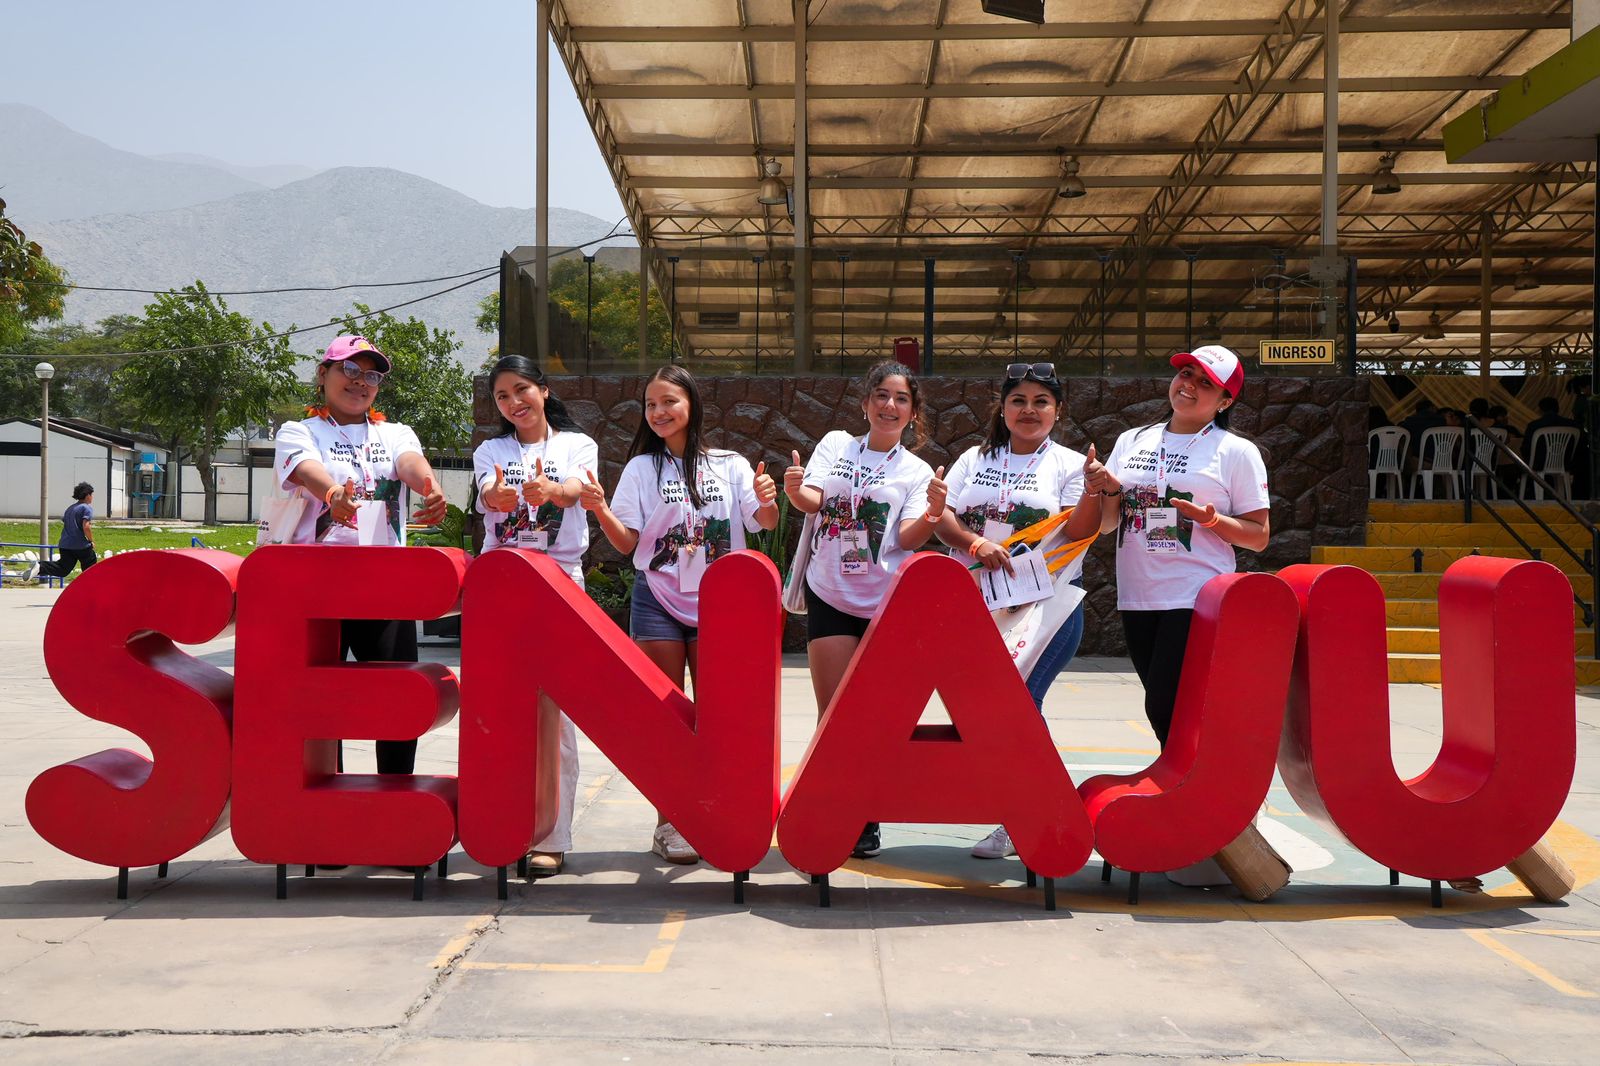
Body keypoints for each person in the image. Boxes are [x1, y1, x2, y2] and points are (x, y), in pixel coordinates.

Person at [1084, 345, 1271, 885]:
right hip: (1139, 593)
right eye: (1185, 374)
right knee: (1164, 707)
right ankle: (1202, 818)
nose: (1188, 385)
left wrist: (1214, 520)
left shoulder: (1236, 453)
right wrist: (1107, 488)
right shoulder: (1133, 441)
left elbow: (1259, 536)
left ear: (1224, 399)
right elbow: (1107, 526)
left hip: (1198, 596)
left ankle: (1210, 819)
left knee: (1172, 702)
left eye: (1204, 382)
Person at [581, 365, 779, 865]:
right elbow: (629, 544)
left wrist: (768, 500)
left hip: (721, 604)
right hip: (658, 599)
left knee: (716, 717)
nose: (659, 412)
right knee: (665, 718)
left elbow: (762, 524)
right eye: (650, 405)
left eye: (668, 401)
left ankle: (717, 812)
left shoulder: (730, 465)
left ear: (691, 403)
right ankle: (671, 823)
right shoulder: (641, 470)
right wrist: (602, 509)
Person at [932, 362, 1102, 860]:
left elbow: (1078, 531)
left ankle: (1031, 817)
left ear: (1057, 410)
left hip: (1045, 610)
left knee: (1023, 709)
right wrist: (974, 542)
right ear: (1002, 409)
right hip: (979, 609)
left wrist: (1094, 489)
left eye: (1041, 402)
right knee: (992, 715)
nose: (1029, 411)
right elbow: (943, 518)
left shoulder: (1070, 464)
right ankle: (1028, 810)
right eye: (1019, 401)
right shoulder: (974, 458)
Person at [783, 361, 943, 860]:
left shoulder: (915, 471)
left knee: (870, 717)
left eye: (900, 399)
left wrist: (935, 514)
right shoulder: (836, 445)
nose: (889, 405)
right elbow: (813, 498)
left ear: (913, 413)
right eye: (881, 394)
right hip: (830, 591)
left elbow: (906, 537)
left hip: (882, 602)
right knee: (832, 714)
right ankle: (829, 809)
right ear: (865, 403)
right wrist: (794, 490)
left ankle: (866, 817)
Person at [272, 334, 449, 777]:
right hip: (317, 585)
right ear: (323, 375)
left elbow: (409, 462)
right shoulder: (299, 431)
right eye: (349, 370)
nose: (360, 382)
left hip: (383, 583)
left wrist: (428, 486)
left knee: (397, 695)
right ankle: (320, 798)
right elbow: (305, 470)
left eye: (370, 374)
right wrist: (332, 493)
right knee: (319, 697)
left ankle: (397, 799)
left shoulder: (393, 432)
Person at [473, 354, 598, 877]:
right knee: (501, 710)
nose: (513, 402)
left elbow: (577, 491)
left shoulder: (576, 444)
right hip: (501, 583)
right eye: (503, 396)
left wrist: (553, 491)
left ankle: (551, 836)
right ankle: (502, 825)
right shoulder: (491, 449)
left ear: (544, 391)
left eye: (522, 389)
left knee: (556, 716)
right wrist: (497, 494)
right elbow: (487, 493)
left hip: (558, 581)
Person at [32, 482, 97, 583]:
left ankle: (40, 566)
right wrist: (91, 541)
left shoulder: (70, 509)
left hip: (65, 545)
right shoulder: (86, 508)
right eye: (91, 495)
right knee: (91, 566)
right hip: (80, 545)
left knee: (63, 569)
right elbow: (86, 526)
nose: (92, 497)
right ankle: (91, 588)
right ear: (87, 495)